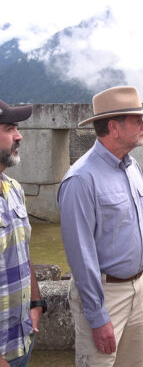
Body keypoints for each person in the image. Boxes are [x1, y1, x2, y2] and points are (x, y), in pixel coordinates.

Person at [57, 86, 143, 367]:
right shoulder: (80, 180)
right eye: (137, 120)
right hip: (105, 294)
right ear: (114, 127)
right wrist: (97, 316)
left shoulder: (132, 167)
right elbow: (81, 255)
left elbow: (142, 227)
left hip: (136, 289)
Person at [0, 100, 46, 367]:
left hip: (20, 341)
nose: (19, 136)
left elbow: (22, 252)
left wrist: (36, 301)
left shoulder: (14, 189)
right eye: (9, 129)